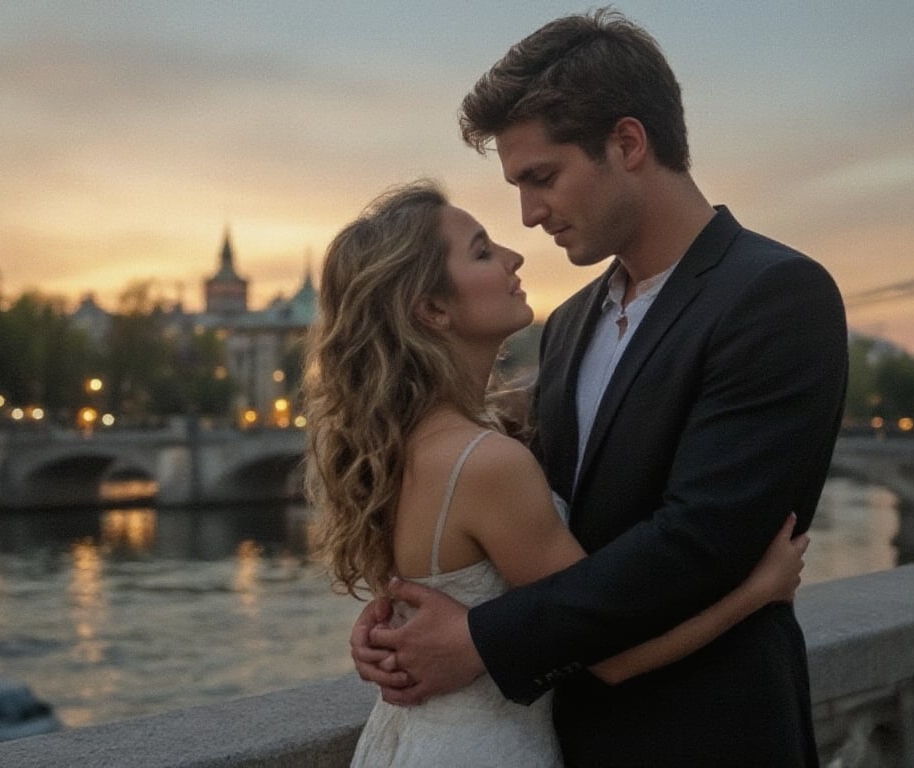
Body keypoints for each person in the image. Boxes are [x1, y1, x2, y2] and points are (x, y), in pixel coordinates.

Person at [350, 9, 848, 768]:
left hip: (706, 736)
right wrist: (403, 617)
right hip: (560, 736)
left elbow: (698, 544)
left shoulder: (777, 294)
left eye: (542, 178)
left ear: (627, 143)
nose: (528, 213)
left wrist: (480, 639)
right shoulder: (571, 320)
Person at [305, 181, 810, 767]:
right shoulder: (487, 462)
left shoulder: (405, 440)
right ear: (434, 309)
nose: (514, 255)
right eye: (482, 251)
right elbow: (611, 656)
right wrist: (758, 591)